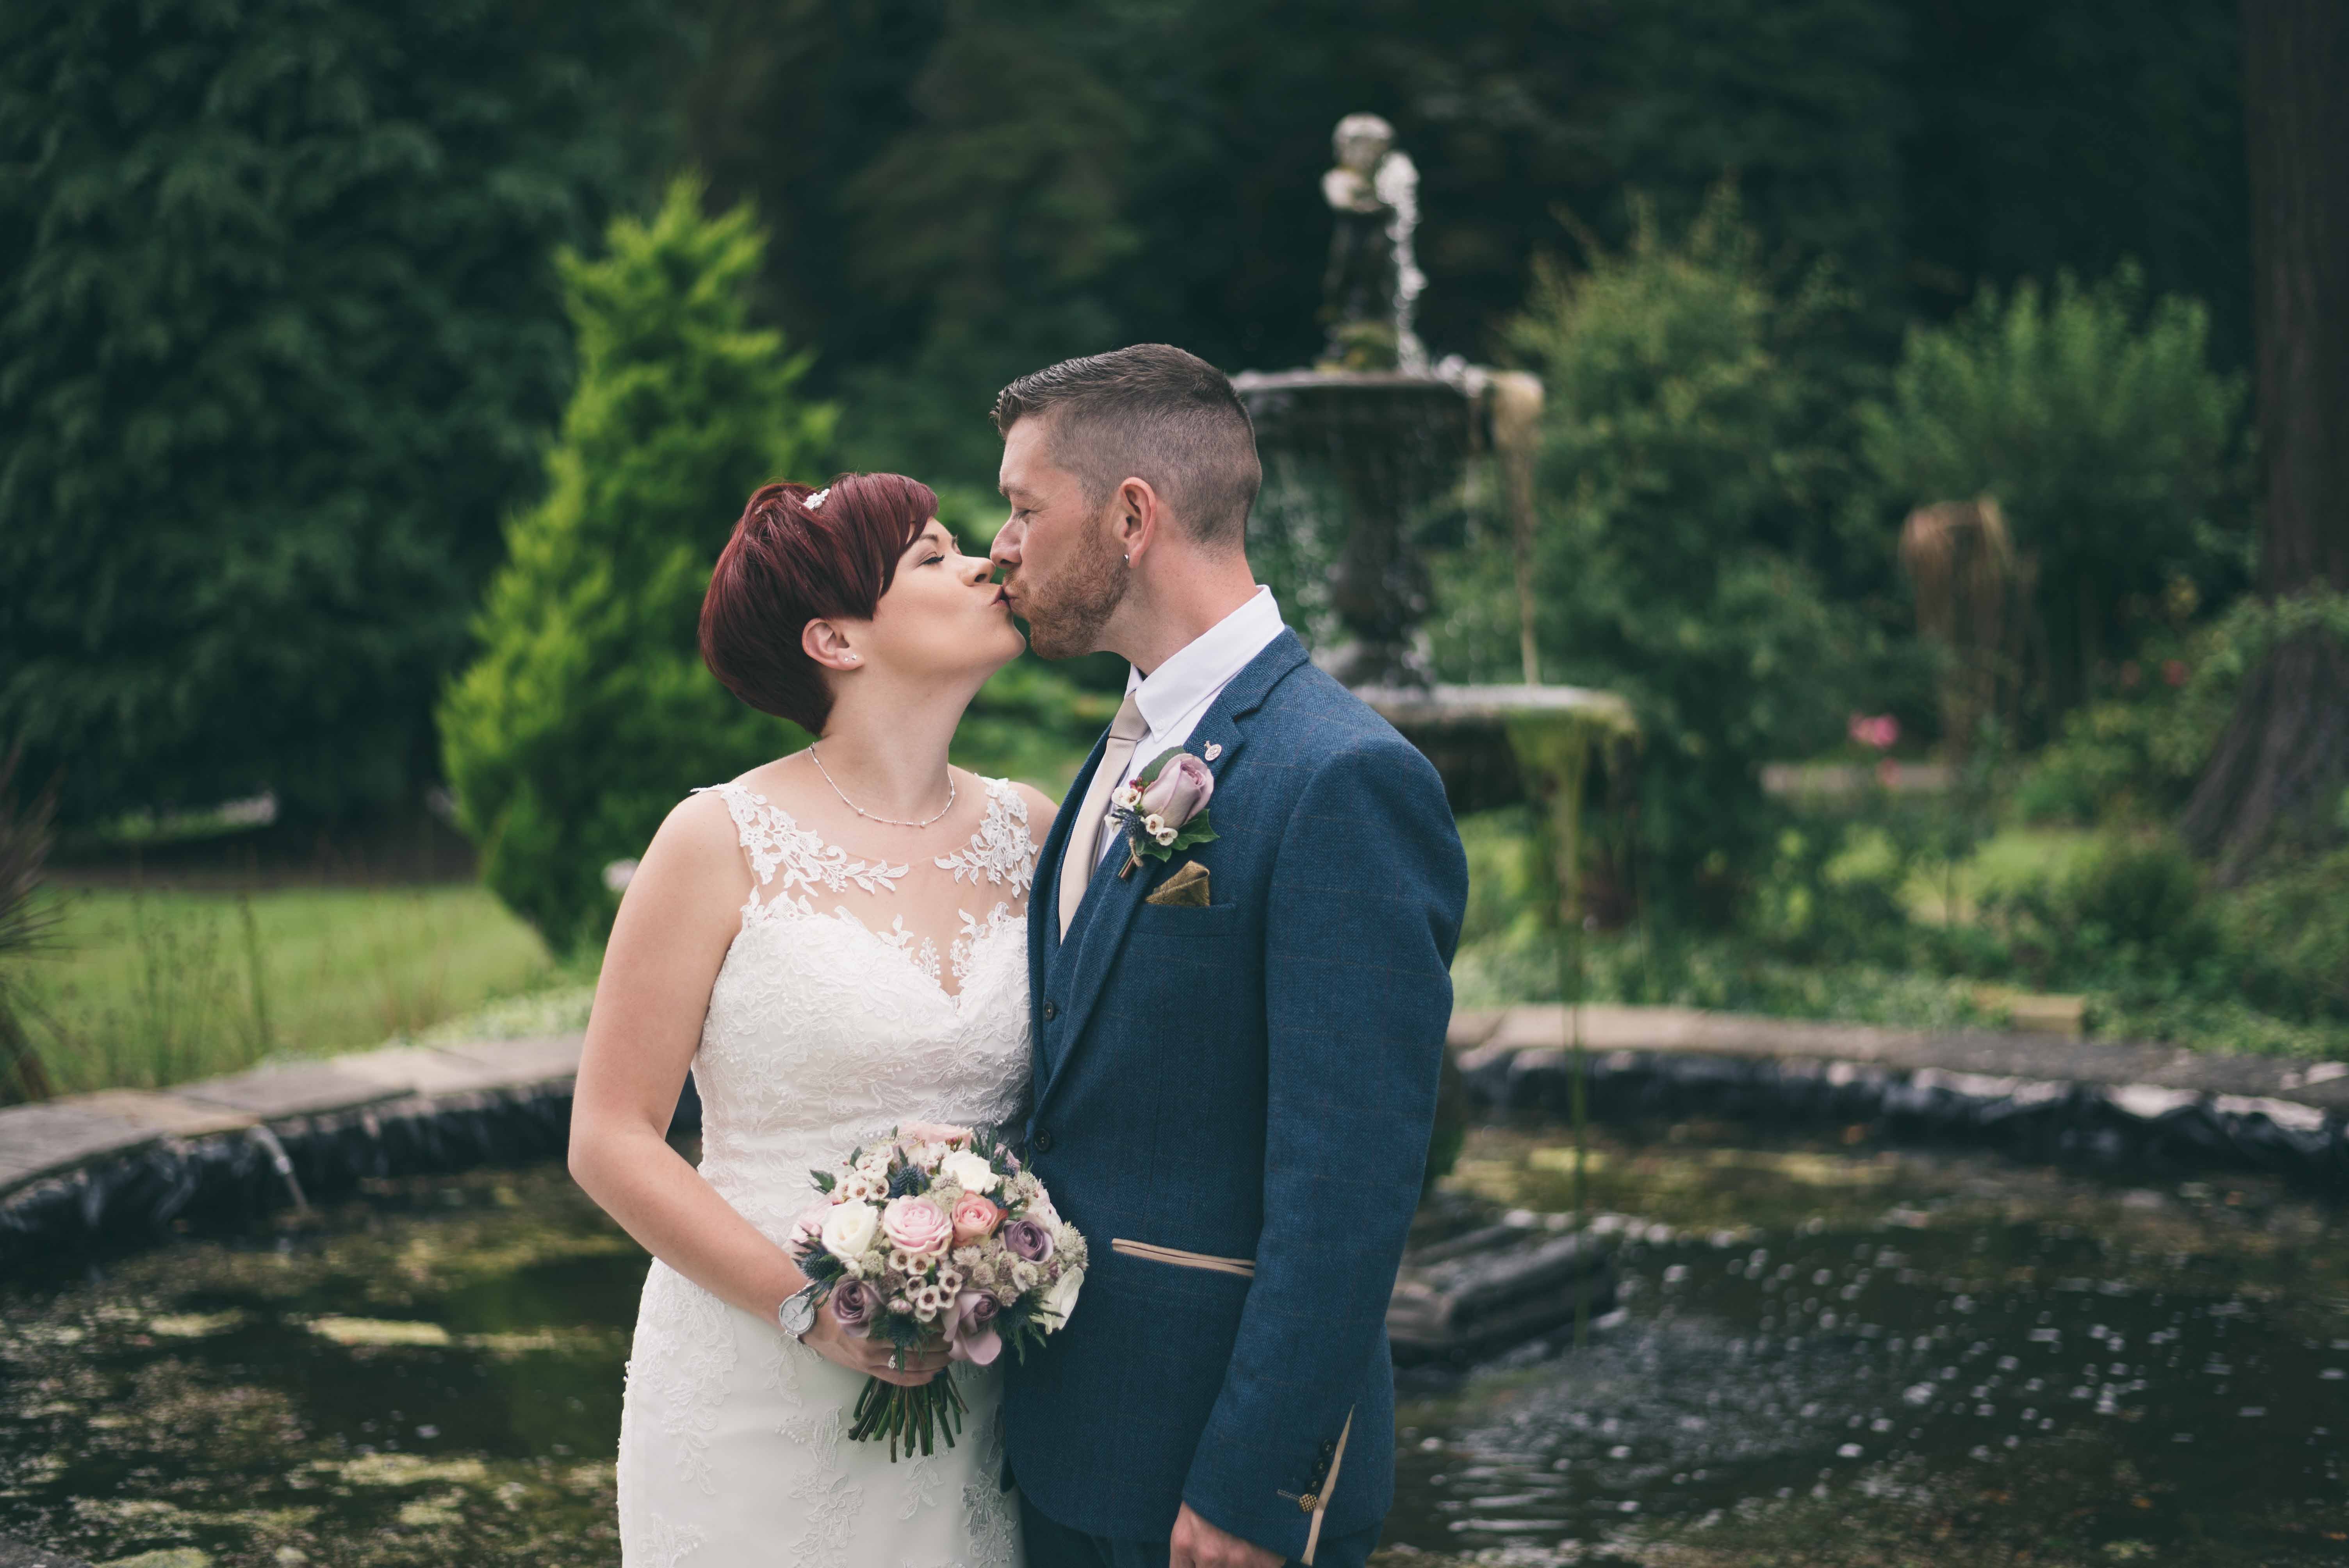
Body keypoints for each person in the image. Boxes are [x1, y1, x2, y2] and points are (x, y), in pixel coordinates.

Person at [991, 344, 1468, 1568]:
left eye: (1024, 507)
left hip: (1219, 1490)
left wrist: (1258, 1490)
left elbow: (1349, 1185)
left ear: (1132, 516)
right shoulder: (1127, 746)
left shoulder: (1342, 777)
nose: (1003, 546)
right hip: (1072, 1452)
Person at [570, 472, 1056, 1566]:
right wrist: (812, 1310)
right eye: (930, 558)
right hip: (757, 1380)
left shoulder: (1032, 830)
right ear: (836, 639)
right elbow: (608, 1139)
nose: (985, 561)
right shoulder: (715, 840)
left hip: (972, 1381)